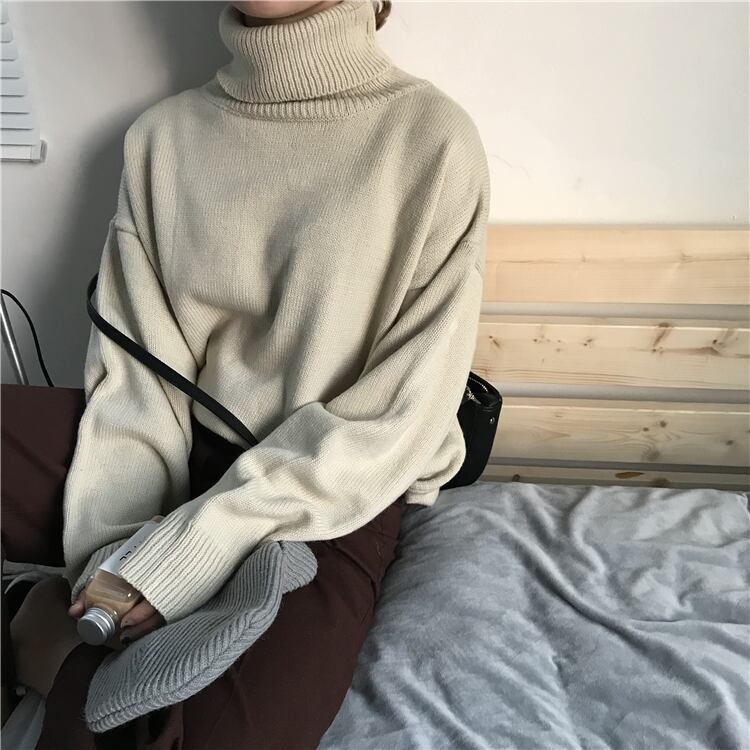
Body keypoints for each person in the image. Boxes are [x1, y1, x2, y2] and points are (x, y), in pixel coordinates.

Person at [1, 0, 491, 746]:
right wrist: (117, 556)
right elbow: (138, 382)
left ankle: (42, 647)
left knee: (230, 735)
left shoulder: (432, 141)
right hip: (184, 449)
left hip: (334, 489)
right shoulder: (163, 140)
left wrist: (194, 551)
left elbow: (397, 419)